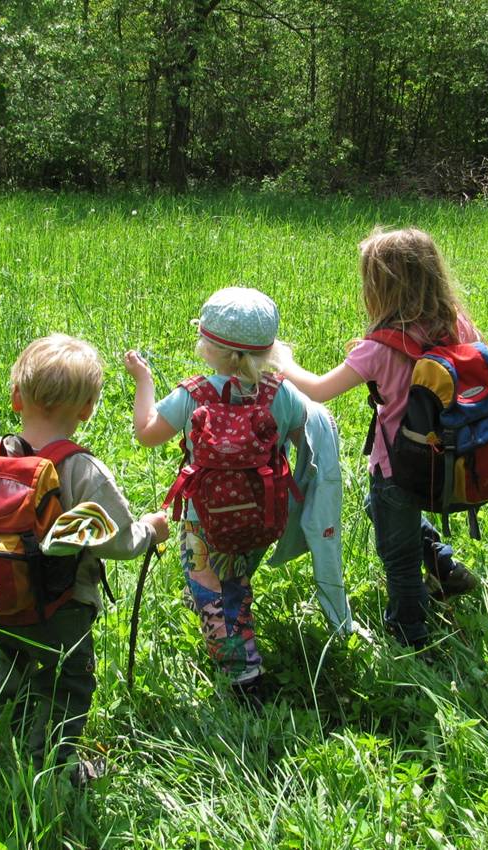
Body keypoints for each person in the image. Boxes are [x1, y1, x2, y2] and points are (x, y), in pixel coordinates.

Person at [280, 227, 481, 654]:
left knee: (399, 559)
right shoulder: (459, 326)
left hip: (397, 468)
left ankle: (411, 640)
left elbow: (317, 390)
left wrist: (284, 361)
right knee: (380, 512)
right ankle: (445, 567)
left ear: (382, 288)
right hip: (448, 459)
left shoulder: (380, 348)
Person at [0, 334, 168, 780]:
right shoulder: (80, 468)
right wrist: (151, 530)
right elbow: (118, 540)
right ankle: (54, 768)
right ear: (87, 410)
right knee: (67, 684)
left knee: (11, 666)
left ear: (16, 398)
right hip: (59, 604)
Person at [123, 287, 307, 701]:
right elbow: (302, 438)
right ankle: (219, 603)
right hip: (264, 513)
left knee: (221, 591)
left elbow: (146, 433)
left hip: (204, 517)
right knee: (235, 572)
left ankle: (245, 676)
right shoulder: (282, 394)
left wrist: (144, 381)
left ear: (212, 348)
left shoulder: (194, 395)